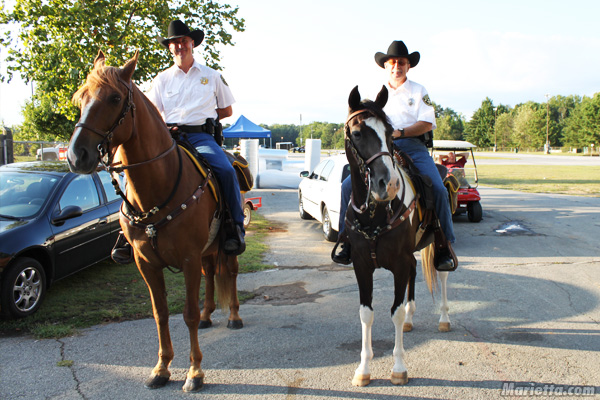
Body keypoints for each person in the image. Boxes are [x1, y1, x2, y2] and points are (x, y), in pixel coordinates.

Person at [333, 40, 456, 271]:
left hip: (411, 145)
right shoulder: (374, 92)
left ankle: (444, 245)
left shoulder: (419, 91)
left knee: (438, 188)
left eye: (401, 62)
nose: (396, 66)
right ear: (385, 66)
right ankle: (345, 240)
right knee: (347, 187)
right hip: (379, 147)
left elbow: (428, 123)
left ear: (408, 66)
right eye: (392, 62)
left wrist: (401, 132)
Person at [146, 19, 245, 255]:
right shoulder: (161, 80)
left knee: (227, 171)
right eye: (175, 43)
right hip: (168, 138)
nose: (180, 46)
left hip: (201, 138)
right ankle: (129, 230)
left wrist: (207, 117)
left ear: (192, 44)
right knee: (137, 169)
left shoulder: (211, 76)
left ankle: (235, 227)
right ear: (169, 48)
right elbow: (152, 112)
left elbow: (227, 110)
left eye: (183, 41)